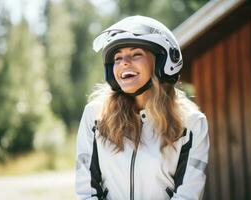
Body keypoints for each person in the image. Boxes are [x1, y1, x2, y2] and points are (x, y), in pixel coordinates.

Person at [75, 15, 209, 200]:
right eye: (117, 57)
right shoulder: (95, 115)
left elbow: (188, 195)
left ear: (162, 62)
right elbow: (86, 190)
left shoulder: (192, 123)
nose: (123, 62)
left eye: (136, 54)